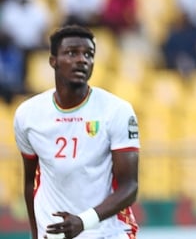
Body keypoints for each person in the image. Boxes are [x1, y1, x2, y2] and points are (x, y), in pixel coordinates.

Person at [13, 25, 140, 239]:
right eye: (72, 53)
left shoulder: (117, 111)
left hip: (107, 232)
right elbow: (30, 182)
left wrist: (84, 221)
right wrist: (36, 234)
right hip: (56, 234)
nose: (82, 60)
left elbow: (130, 187)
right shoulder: (28, 115)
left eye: (88, 55)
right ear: (53, 60)